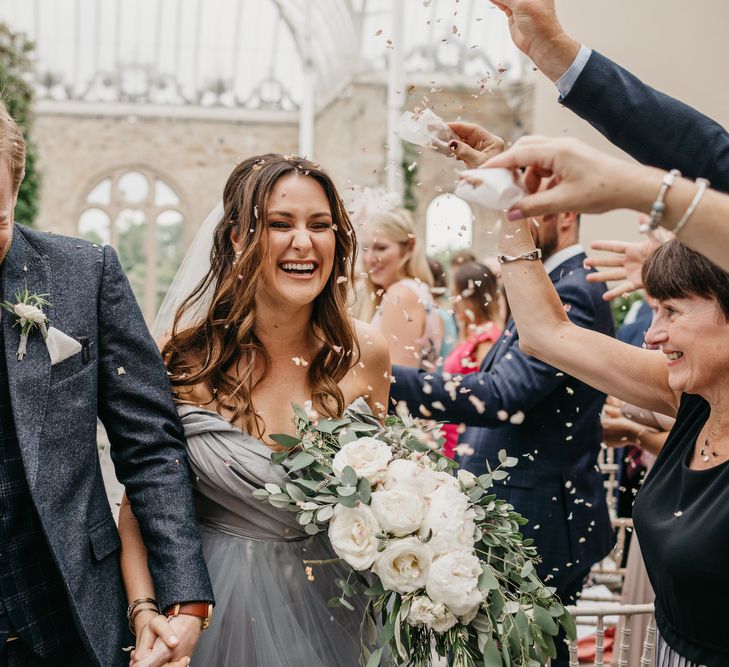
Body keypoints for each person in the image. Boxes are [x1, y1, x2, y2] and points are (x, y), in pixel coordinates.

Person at [119, 154, 391, 667]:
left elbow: (380, 494)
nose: (304, 243)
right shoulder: (180, 357)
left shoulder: (366, 354)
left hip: (338, 612)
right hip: (207, 614)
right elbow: (140, 505)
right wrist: (144, 610)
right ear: (239, 238)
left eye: (320, 226)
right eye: (279, 225)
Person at [391, 124, 615, 667]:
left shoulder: (575, 292)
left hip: (540, 515)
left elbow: (504, 394)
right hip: (521, 509)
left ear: (566, 213)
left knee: (531, 653)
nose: (511, 220)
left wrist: (386, 376)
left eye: (525, 205)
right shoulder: (552, 283)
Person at [0, 102, 212, 667]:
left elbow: (148, 444)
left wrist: (182, 601)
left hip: (62, 617)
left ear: (15, 189)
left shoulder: (82, 274)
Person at [495, 190, 729, 663]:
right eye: (654, 308)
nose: (650, 334)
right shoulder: (689, 398)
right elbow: (547, 335)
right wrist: (508, 200)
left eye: (672, 311)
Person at [485, 135, 729, 274]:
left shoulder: (575, 285)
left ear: (567, 214)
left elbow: (547, 336)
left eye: (533, 210)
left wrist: (632, 187)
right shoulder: (559, 276)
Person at [359, 208, 443, 368]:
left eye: (381, 248)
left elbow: (397, 381)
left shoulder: (401, 296)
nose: (369, 258)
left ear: (409, 247)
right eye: (365, 249)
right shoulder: (417, 290)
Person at [440, 261, 502, 458]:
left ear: (472, 298)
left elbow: (488, 393)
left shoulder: (486, 339)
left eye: (456, 295)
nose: (453, 301)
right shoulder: (470, 334)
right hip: (451, 433)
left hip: (466, 441)